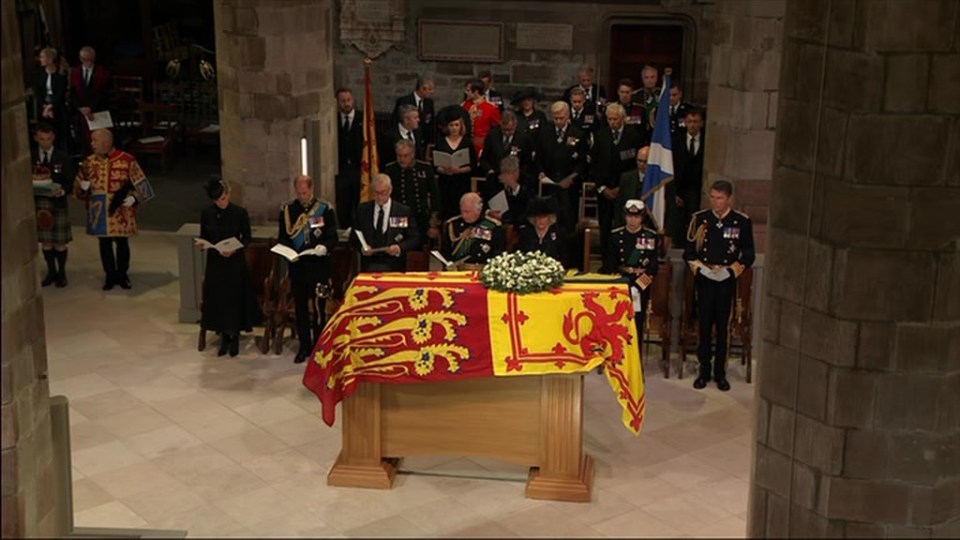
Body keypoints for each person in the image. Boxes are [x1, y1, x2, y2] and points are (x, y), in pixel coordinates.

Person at [684, 180, 755, 392]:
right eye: (713, 197)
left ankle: (720, 373)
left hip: (726, 282)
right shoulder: (699, 219)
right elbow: (690, 252)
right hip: (705, 280)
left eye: (720, 198)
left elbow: (748, 254)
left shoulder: (740, 222)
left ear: (729, 199)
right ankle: (704, 371)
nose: (715, 202)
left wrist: (731, 270)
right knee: (704, 326)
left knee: (723, 328)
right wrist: (702, 269)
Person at [277, 174, 339, 364]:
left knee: (320, 309)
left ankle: (319, 346)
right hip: (298, 267)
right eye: (299, 192)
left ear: (312, 189)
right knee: (301, 309)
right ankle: (304, 346)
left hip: (319, 267)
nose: (302, 196)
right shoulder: (288, 210)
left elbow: (332, 236)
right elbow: (283, 237)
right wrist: (288, 252)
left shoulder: (324, 209)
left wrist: (325, 248)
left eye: (305, 192)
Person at [197, 179, 262, 357]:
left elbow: (247, 237)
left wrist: (236, 247)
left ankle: (234, 335)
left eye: (224, 198)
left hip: (234, 262)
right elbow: (204, 235)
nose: (221, 203)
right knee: (219, 298)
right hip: (216, 262)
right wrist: (203, 244)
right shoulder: (207, 213)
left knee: (234, 298)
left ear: (229, 194)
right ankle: (224, 335)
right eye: (218, 200)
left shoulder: (239, 213)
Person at [75, 129, 146, 290]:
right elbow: (77, 189)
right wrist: (83, 189)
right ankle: (110, 275)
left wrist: (134, 198)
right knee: (104, 243)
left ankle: (122, 274)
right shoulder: (88, 162)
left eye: (95, 141)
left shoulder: (127, 160)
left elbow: (143, 186)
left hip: (121, 210)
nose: (91, 144)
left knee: (122, 243)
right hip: (99, 210)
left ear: (106, 143)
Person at [590, 103, 644, 269]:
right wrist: (602, 188)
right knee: (605, 227)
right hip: (605, 191)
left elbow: (635, 166)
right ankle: (607, 264)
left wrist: (621, 187)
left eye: (615, 119)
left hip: (625, 190)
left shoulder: (633, 137)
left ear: (623, 119)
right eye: (609, 119)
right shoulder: (600, 136)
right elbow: (594, 165)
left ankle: (625, 262)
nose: (612, 122)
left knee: (623, 225)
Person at [606, 199, 661, 345]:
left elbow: (653, 266)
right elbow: (610, 264)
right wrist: (619, 283)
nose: (633, 220)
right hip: (621, 283)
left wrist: (640, 285)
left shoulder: (650, 236)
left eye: (636, 217)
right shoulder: (616, 236)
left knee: (637, 322)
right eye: (630, 216)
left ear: (642, 218)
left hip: (641, 284)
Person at [536, 101, 588, 245]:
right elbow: (538, 158)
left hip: (568, 187)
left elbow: (583, 163)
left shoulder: (578, 134)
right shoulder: (544, 133)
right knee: (549, 220)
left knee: (568, 223)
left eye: (561, 118)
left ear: (568, 116)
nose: (558, 121)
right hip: (549, 185)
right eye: (555, 118)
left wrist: (572, 177)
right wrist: (540, 172)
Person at [32, 123, 75, 287]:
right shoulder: (31, 155)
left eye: (48, 139)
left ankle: (61, 273)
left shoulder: (62, 157)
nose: (45, 142)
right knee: (46, 241)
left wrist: (63, 190)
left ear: (53, 137)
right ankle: (51, 272)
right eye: (42, 139)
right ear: (36, 138)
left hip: (57, 203)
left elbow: (70, 180)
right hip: (40, 204)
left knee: (59, 241)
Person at [352, 174, 422, 273]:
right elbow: (354, 236)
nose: (379, 197)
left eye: (383, 193)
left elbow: (415, 238)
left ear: (390, 190)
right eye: (376, 193)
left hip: (395, 265)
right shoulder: (363, 210)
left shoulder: (402, 211)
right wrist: (362, 247)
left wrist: (399, 248)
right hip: (369, 265)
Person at [383, 139, 441, 244]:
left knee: (421, 248)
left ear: (413, 154)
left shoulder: (425, 168)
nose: (402, 159)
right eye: (399, 155)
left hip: (420, 217)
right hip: (398, 218)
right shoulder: (390, 169)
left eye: (405, 156)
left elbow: (435, 196)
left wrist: (433, 223)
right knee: (399, 245)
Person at [669, 109, 705, 246]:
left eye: (696, 122)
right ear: (685, 123)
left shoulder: (707, 141)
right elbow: (670, 168)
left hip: (697, 191)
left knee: (695, 223)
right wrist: (673, 192)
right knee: (678, 224)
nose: (693, 125)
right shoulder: (676, 142)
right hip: (679, 190)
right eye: (690, 121)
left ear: (701, 123)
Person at [442, 192, 505, 270]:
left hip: (482, 271)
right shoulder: (453, 224)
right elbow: (445, 250)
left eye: (467, 212)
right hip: (457, 271)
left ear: (479, 210)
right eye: (462, 211)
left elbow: (498, 253)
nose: (464, 215)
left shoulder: (493, 226)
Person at [481, 110, 535, 198]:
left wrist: (516, 175)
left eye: (510, 130)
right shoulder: (492, 136)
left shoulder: (523, 139)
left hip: (516, 181)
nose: (507, 133)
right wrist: (489, 171)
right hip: (496, 180)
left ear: (515, 125)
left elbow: (527, 163)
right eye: (504, 130)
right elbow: (484, 159)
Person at [434, 113, 477, 221]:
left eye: (456, 125)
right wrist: (443, 170)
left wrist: (460, 170)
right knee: (446, 211)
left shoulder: (467, 142)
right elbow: (435, 165)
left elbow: (473, 165)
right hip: (445, 182)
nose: (454, 128)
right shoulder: (440, 142)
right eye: (451, 125)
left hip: (461, 182)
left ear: (461, 126)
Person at [70, 46, 110, 153]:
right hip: (82, 112)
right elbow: (72, 93)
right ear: (80, 59)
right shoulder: (75, 72)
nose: (88, 62)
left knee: (100, 140)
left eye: (90, 60)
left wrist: (91, 108)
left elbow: (103, 92)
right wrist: (80, 108)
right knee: (85, 143)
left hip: (97, 110)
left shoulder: (101, 71)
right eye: (85, 59)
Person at [335, 87, 363, 228]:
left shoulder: (363, 119)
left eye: (348, 100)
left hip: (358, 169)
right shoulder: (333, 120)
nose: (346, 104)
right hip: (341, 170)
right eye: (343, 101)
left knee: (359, 204)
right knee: (343, 206)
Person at [33, 48, 69, 149]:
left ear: (49, 59)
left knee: (61, 134)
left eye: (42, 57)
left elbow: (60, 93)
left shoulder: (61, 73)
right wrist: (45, 107)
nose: (40, 59)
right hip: (44, 108)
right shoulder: (39, 73)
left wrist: (51, 107)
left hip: (58, 107)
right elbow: (37, 92)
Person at [518, 197, 566, 266]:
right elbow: (521, 255)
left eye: (544, 217)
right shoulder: (526, 233)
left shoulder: (558, 233)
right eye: (538, 217)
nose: (540, 220)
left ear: (550, 218)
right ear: (533, 218)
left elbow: (564, 257)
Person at [486, 156, 532, 228]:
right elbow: (483, 199)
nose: (509, 176)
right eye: (506, 173)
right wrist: (488, 212)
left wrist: (514, 185)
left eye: (513, 172)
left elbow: (530, 203)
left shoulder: (525, 179)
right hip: (493, 219)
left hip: (516, 221)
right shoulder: (492, 179)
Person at [461, 78, 501, 155]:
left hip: (483, 146)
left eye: (468, 91)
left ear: (476, 92)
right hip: (466, 145)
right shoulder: (465, 105)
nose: (466, 93)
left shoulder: (490, 108)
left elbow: (497, 129)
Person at [615, 146, 651, 229]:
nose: (641, 164)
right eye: (639, 161)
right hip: (628, 225)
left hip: (649, 226)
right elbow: (620, 204)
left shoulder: (658, 182)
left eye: (645, 162)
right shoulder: (626, 178)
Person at [395, 76, 436, 145]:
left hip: (423, 140)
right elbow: (396, 121)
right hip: (407, 138)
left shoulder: (429, 103)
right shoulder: (404, 101)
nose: (432, 92)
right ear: (422, 89)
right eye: (430, 89)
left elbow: (431, 122)